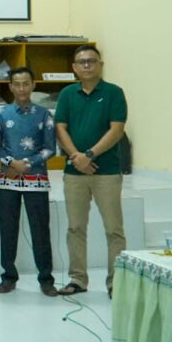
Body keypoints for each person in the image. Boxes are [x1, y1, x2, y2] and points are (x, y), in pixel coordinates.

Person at [55, 45, 128, 298]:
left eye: (91, 61)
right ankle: (78, 279)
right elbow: (60, 128)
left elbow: (116, 130)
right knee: (75, 227)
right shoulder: (67, 94)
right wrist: (76, 157)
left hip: (106, 172)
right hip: (74, 173)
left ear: (101, 65)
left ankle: (116, 282)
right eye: (81, 62)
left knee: (114, 229)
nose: (86, 65)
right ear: (74, 67)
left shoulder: (113, 93)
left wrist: (89, 155)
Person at [0, 67, 57, 297]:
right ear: (10, 86)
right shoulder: (1, 114)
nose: (21, 89)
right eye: (17, 84)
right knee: (7, 229)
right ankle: (8, 276)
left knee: (40, 229)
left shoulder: (44, 114)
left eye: (26, 84)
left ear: (33, 85)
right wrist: (11, 162)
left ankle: (46, 278)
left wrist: (28, 162)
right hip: (8, 179)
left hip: (36, 178)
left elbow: (50, 148)